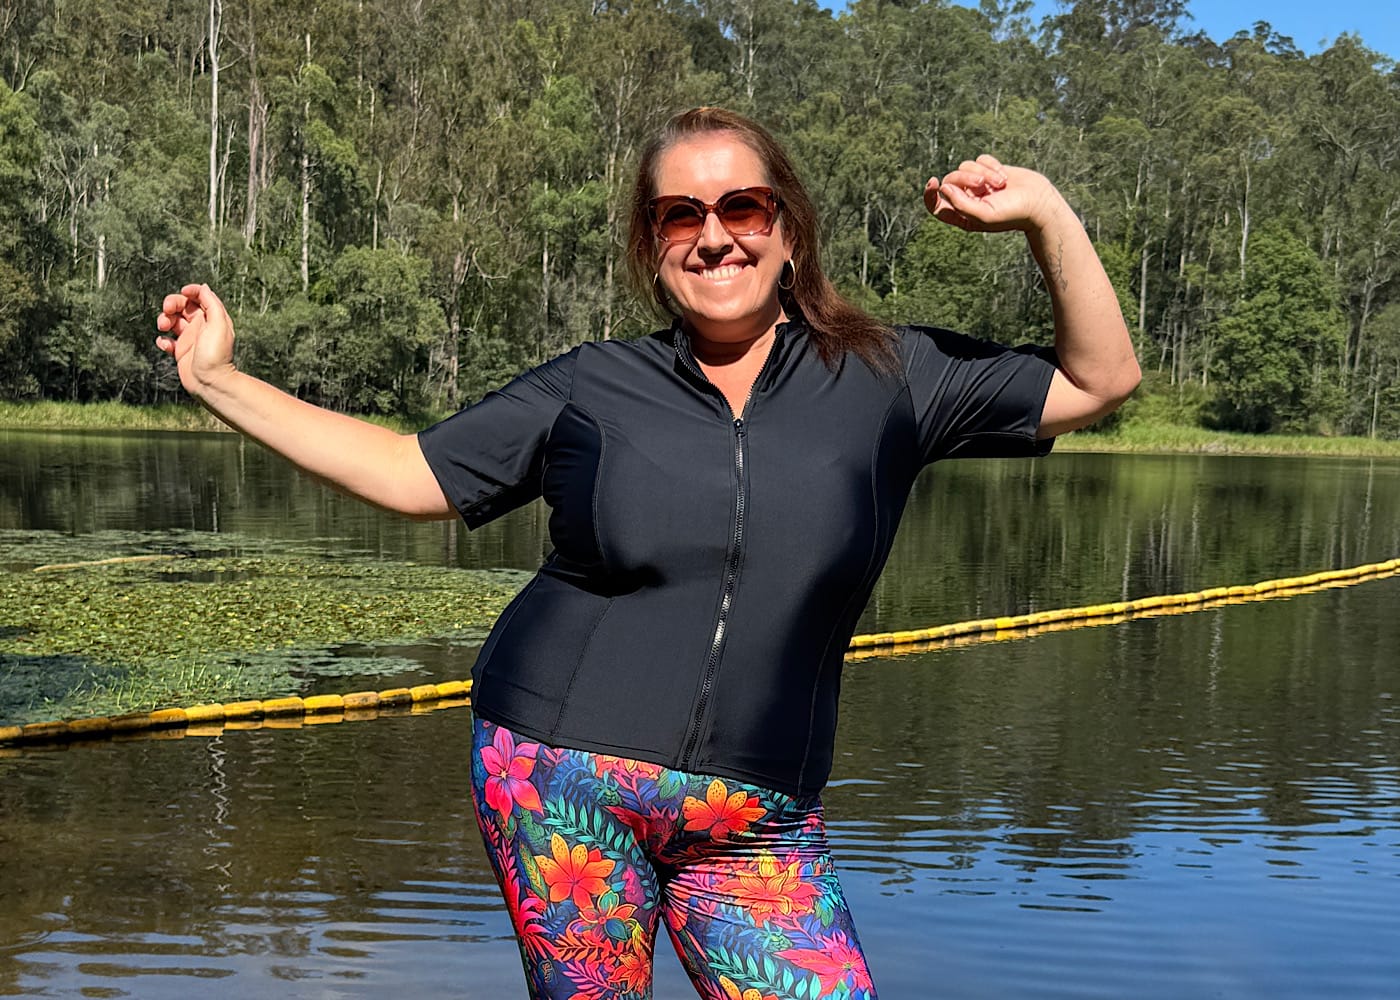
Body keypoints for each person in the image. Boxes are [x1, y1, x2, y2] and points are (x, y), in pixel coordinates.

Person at [156, 107, 1138, 999]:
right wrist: (221, 381)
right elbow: (414, 474)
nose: (713, 236)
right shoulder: (593, 385)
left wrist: (1043, 213)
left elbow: (1099, 380)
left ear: (787, 230)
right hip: (555, 774)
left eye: (741, 207)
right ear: (651, 249)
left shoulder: (890, 376)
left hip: (758, 813)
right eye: (678, 217)